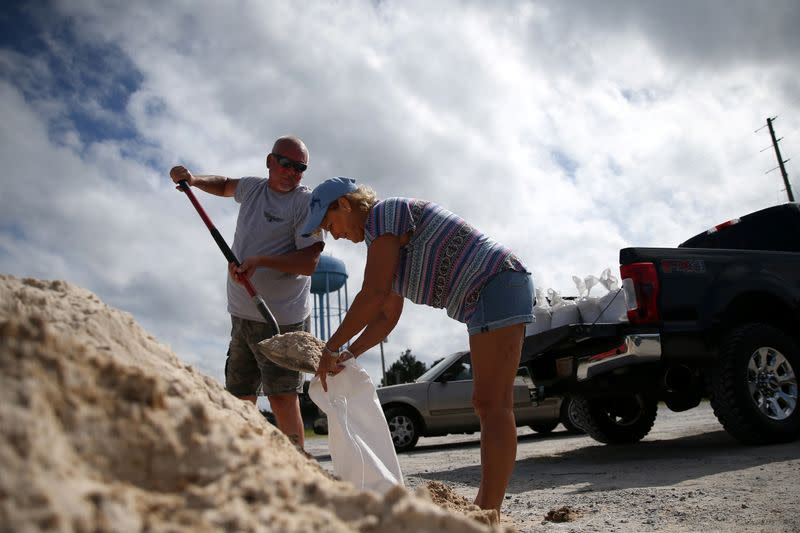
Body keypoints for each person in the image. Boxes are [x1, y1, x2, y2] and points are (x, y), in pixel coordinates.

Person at [301, 177, 534, 515]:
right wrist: (350, 353)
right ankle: (486, 509)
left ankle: (489, 512)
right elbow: (385, 317)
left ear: (345, 205)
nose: (333, 234)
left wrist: (332, 348)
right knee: (488, 403)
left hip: (495, 283)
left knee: (493, 404)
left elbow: (372, 294)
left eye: (329, 223)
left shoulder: (384, 215)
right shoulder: (383, 243)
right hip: (491, 291)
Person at [169, 136, 324, 448]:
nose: (292, 172)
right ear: (270, 161)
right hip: (242, 313)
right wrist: (194, 180)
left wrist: (260, 262)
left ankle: (297, 468)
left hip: (281, 319)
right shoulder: (253, 188)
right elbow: (226, 184)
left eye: (300, 168)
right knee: (239, 395)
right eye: (286, 163)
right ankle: (245, 461)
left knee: (281, 396)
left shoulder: (304, 204)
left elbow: (310, 262)